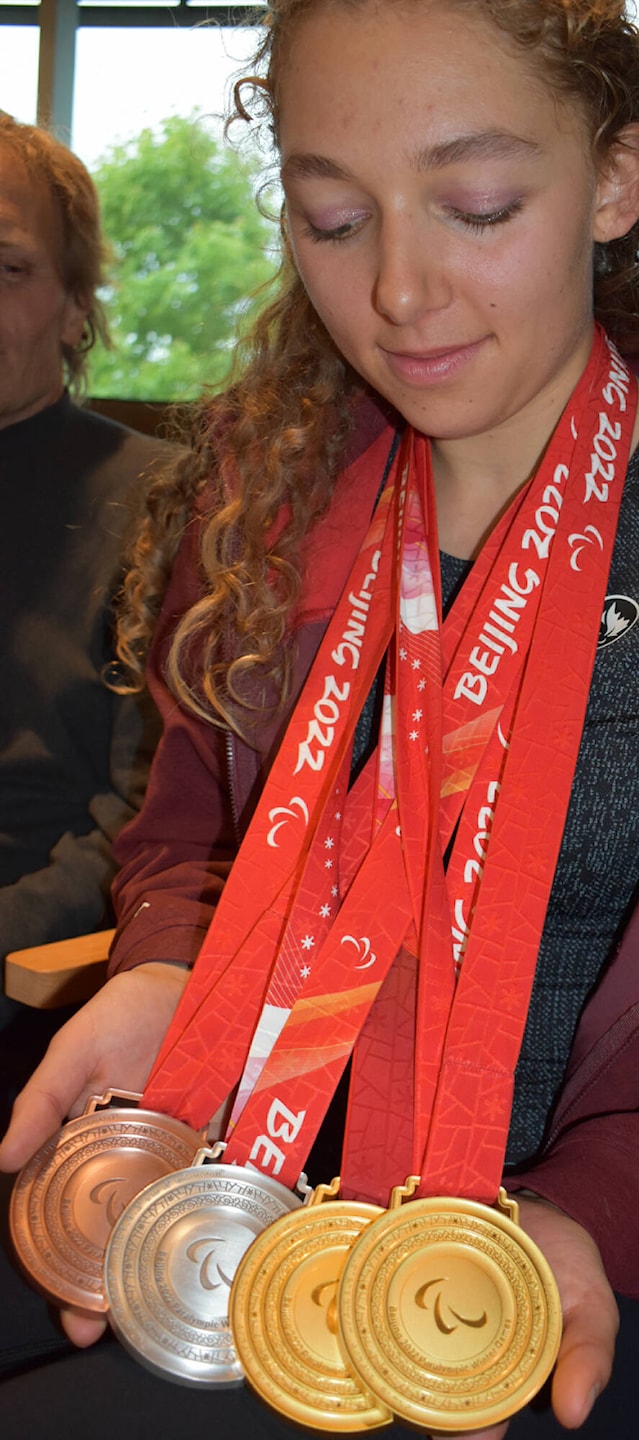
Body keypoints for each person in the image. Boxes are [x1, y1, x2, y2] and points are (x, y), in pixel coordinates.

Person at [1, 3, 639, 1437]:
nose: (399, 290)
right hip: (254, 1174)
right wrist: (168, 975)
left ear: (618, 182)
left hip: (612, 1256)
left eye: (478, 205)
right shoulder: (262, 504)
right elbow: (186, 838)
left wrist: (590, 1222)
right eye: (333, 219)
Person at [0, 114, 173, 1079]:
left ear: (76, 306)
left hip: (41, 993)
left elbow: (145, 819)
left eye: (9, 268)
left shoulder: (166, 503)